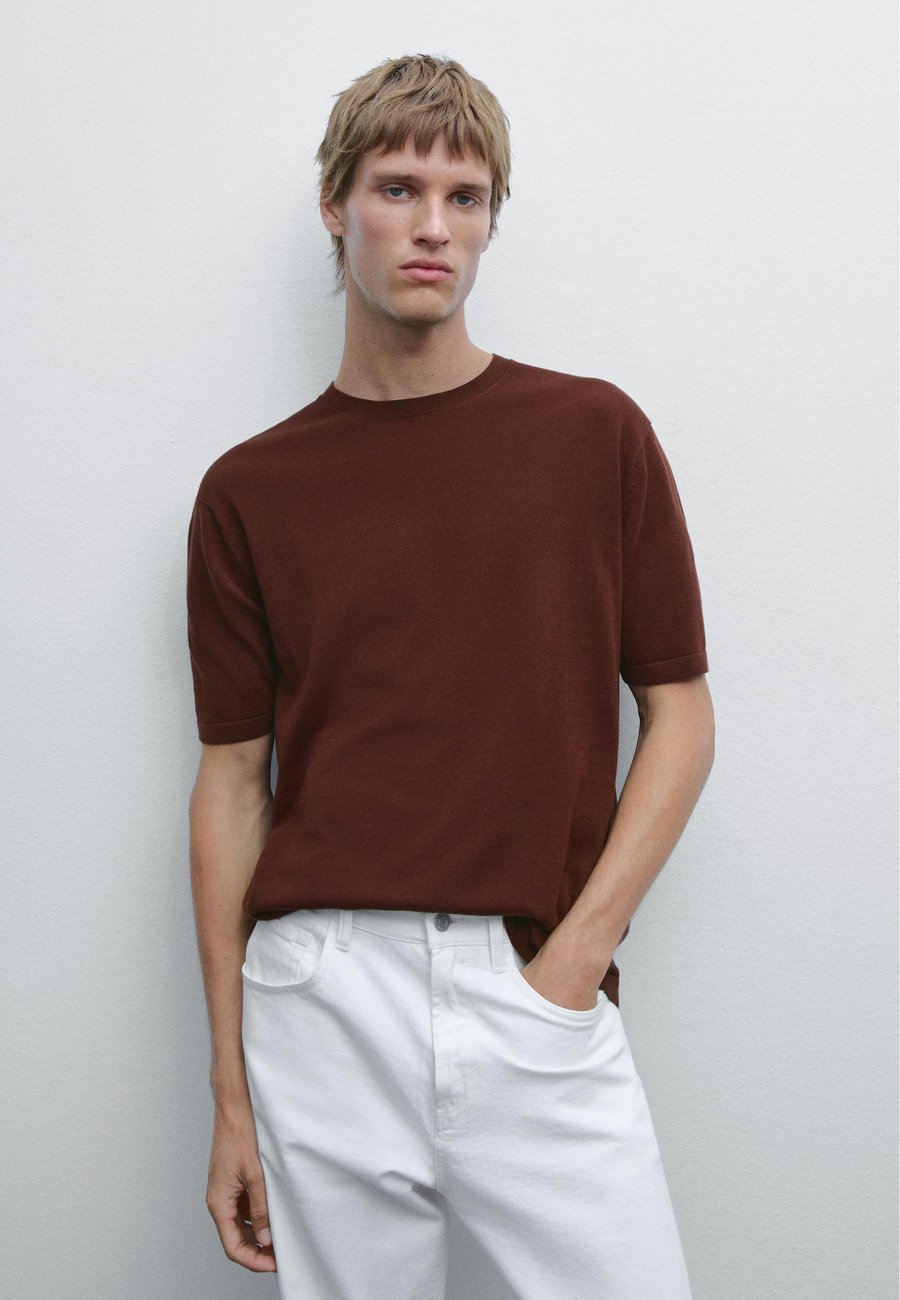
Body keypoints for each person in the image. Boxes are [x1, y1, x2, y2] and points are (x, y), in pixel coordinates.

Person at [186, 52, 714, 1300]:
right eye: (399, 188)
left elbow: (681, 719)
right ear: (336, 205)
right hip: (321, 1000)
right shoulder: (250, 491)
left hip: (532, 983)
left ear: (489, 220)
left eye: (465, 197)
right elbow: (231, 786)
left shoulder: (594, 436)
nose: (434, 226)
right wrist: (231, 1090)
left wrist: (576, 958)